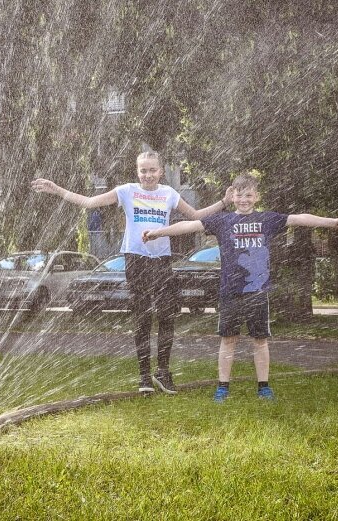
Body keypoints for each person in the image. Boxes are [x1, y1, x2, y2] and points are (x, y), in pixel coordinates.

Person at [31, 150, 232, 394]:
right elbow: (89, 202)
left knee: (167, 316)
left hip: (161, 261)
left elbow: (197, 217)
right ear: (137, 172)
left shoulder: (169, 193)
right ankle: (145, 377)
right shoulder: (126, 191)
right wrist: (58, 189)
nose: (148, 175)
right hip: (136, 261)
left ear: (161, 171)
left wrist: (223, 202)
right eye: (143, 170)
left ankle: (163, 373)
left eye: (152, 170)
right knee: (142, 318)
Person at [142, 173, 338, 402]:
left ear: (257, 197)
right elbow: (188, 225)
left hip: (258, 292)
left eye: (249, 195)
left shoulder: (267, 220)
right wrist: (157, 233)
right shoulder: (221, 221)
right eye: (239, 194)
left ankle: (263, 386)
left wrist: (332, 223)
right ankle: (222, 387)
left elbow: (299, 218)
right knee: (228, 339)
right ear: (232, 196)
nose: (244, 199)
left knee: (260, 340)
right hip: (230, 292)